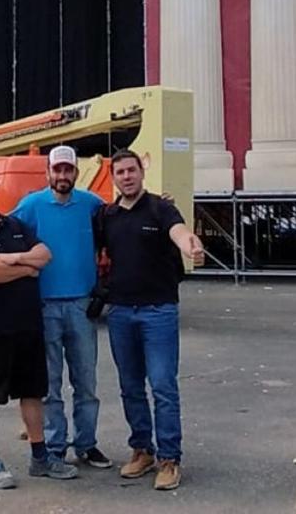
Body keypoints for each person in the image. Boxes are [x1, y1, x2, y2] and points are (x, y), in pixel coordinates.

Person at [0, 167, 79, 489]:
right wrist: (24, 269)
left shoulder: (15, 225)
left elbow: (44, 254)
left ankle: (40, 457)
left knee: (33, 391)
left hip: (26, 325)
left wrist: (11, 258)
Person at [95, 148, 205, 492]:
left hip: (158, 311)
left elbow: (179, 231)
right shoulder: (107, 216)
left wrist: (190, 244)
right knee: (130, 388)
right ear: (113, 178)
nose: (127, 177)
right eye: (120, 172)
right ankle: (142, 450)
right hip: (121, 313)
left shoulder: (161, 207)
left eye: (132, 170)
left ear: (142, 172)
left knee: (162, 386)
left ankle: (169, 459)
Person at [10, 145, 111, 470]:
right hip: (44, 307)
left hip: (82, 305)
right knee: (49, 384)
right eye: (58, 170)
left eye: (68, 170)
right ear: (48, 172)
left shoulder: (92, 205)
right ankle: (54, 446)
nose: (63, 175)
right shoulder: (31, 205)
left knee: (86, 381)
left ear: (75, 173)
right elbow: (6, 232)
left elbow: (121, 218)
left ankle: (87, 444)